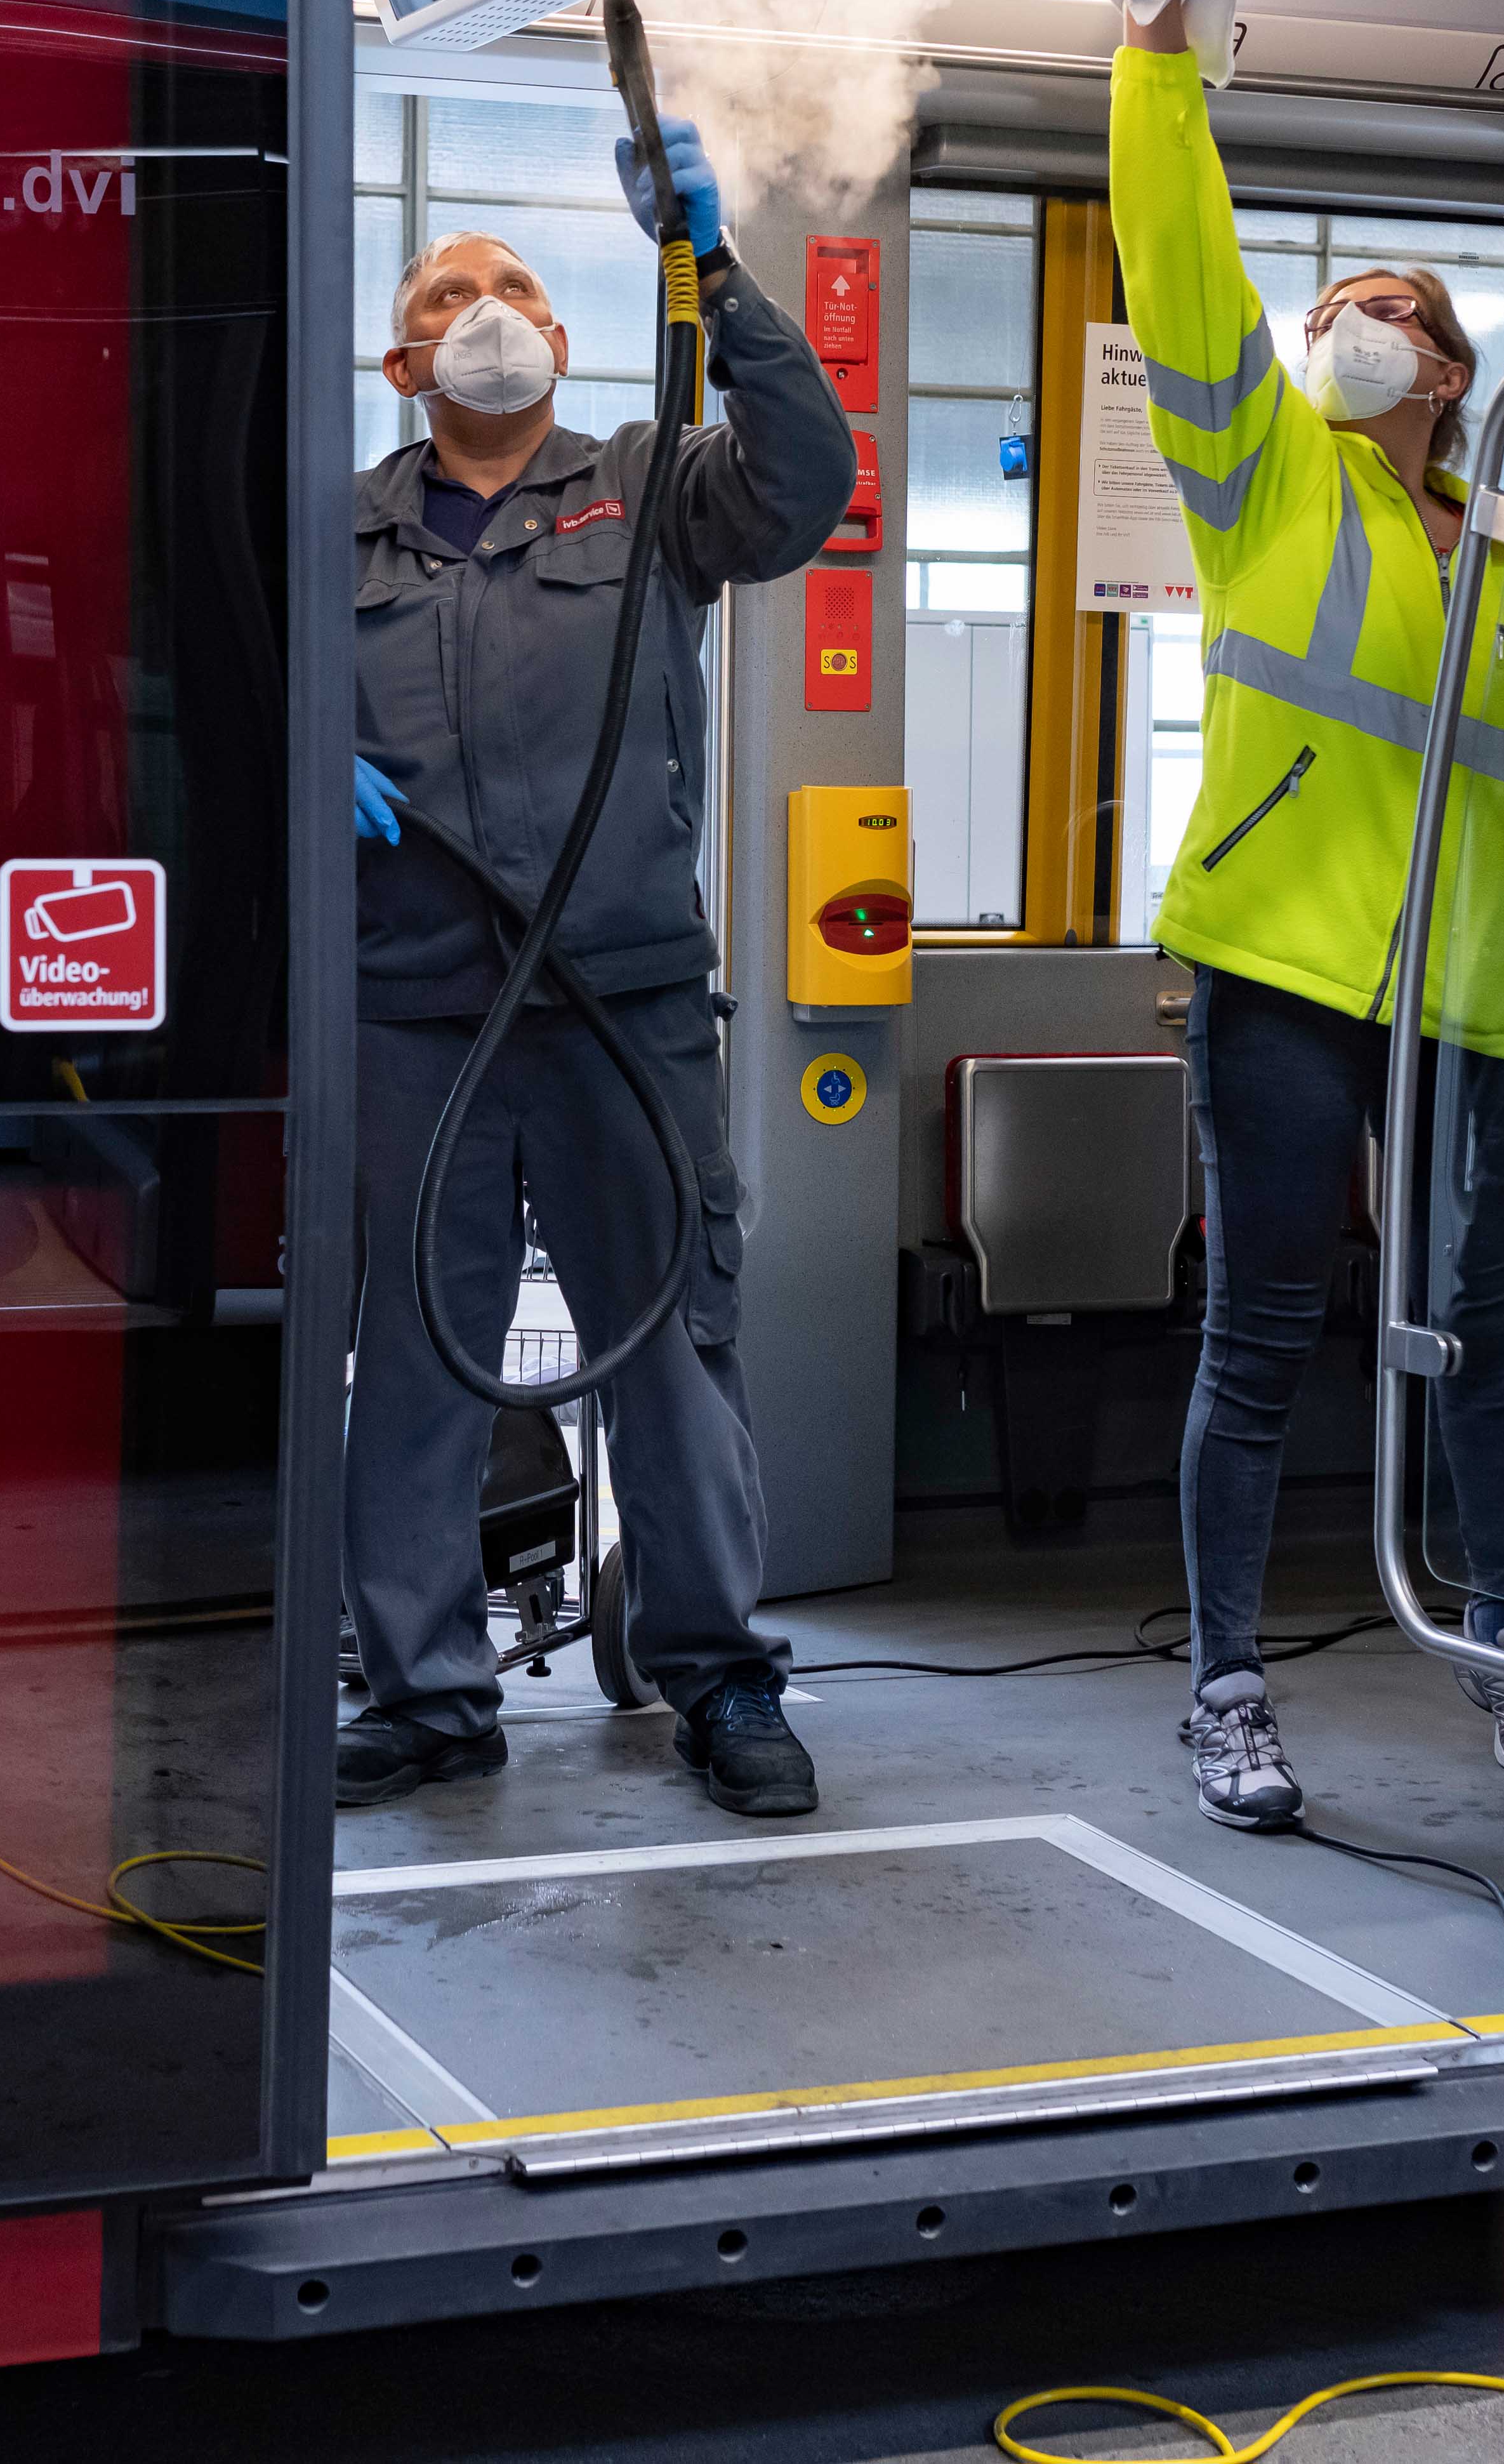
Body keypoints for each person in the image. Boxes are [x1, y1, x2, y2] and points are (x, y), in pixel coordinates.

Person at [1071, 0, 1504, 1813]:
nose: (1344, 333)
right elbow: (1176, 255)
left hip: (1478, 992)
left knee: (1483, 1332)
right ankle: (1225, 1680)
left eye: (1383, 319)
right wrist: (1155, 55)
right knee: (1267, 1321)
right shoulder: (1262, 484)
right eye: (1332, 314)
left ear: (1449, 377)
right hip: (1284, 964)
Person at [337, 116, 856, 1817]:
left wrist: (714, 268)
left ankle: (712, 1673)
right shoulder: (332, 534)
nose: (484, 304)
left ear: (560, 342)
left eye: (516, 287)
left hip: (621, 1002)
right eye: (446, 290)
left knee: (670, 1345)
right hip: (415, 1005)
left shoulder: (654, 481)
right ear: (402, 356)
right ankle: (423, 1688)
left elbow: (806, 480)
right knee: (415, 1353)